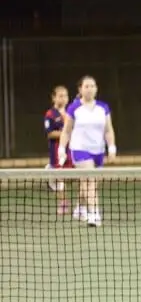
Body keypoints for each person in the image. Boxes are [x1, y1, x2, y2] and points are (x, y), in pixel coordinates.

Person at [58, 75, 116, 227]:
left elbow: (108, 130)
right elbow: (66, 131)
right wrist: (61, 149)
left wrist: (111, 147)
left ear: (96, 89)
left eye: (92, 86)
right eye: (86, 86)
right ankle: (94, 214)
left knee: (86, 182)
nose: (90, 89)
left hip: (98, 151)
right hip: (80, 150)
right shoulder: (74, 108)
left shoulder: (103, 108)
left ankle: (80, 207)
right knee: (91, 180)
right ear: (80, 89)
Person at [44, 85, 71, 215]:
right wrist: (65, 133)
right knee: (61, 178)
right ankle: (63, 203)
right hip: (56, 152)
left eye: (65, 95)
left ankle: (81, 206)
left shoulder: (71, 113)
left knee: (80, 175)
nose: (63, 98)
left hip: (72, 150)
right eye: (60, 96)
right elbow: (50, 134)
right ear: (54, 97)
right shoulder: (50, 114)